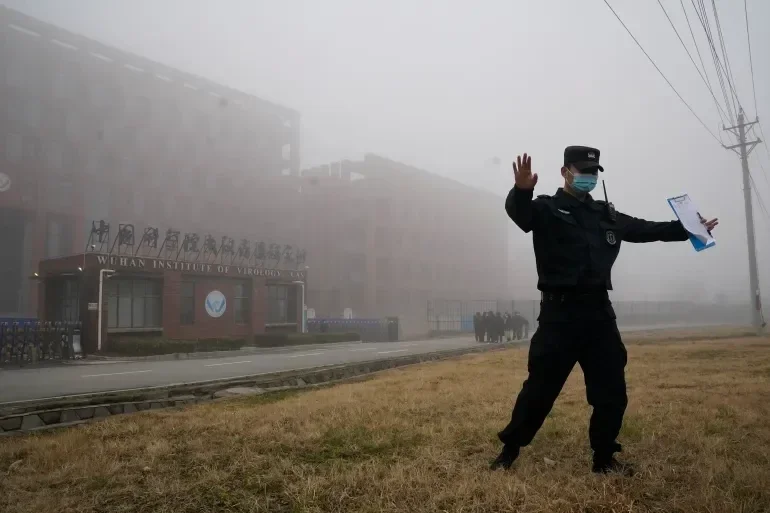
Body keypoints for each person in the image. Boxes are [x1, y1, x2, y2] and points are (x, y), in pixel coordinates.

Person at [490, 147, 718, 475]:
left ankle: (604, 458)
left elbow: (646, 230)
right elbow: (521, 215)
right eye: (582, 170)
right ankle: (510, 448)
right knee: (539, 390)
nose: (589, 176)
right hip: (560, 317)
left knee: (611, 391)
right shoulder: (547, 209)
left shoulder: (605, 215)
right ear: (565, 172)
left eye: (594, 171)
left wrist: (690, 230)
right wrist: (522, 191)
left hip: (599, 316)